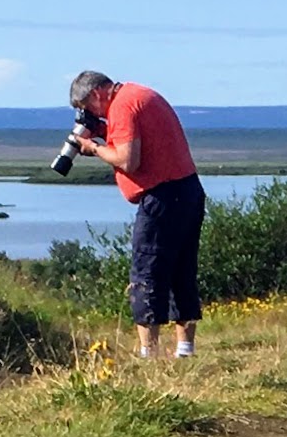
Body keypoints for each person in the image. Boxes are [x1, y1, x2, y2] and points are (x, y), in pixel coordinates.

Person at [65, 69, 205, 358]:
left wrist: (93, 148)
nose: (89, 114)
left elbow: (128, 161)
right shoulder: (139, 94)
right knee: (182, 270)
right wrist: (104, 130)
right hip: (187, 191)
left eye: (86, 108)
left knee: (147, 272)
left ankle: (148, 354)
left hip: (163, 197)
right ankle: (185, 350)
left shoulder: (123, 106)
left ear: (95, 94)